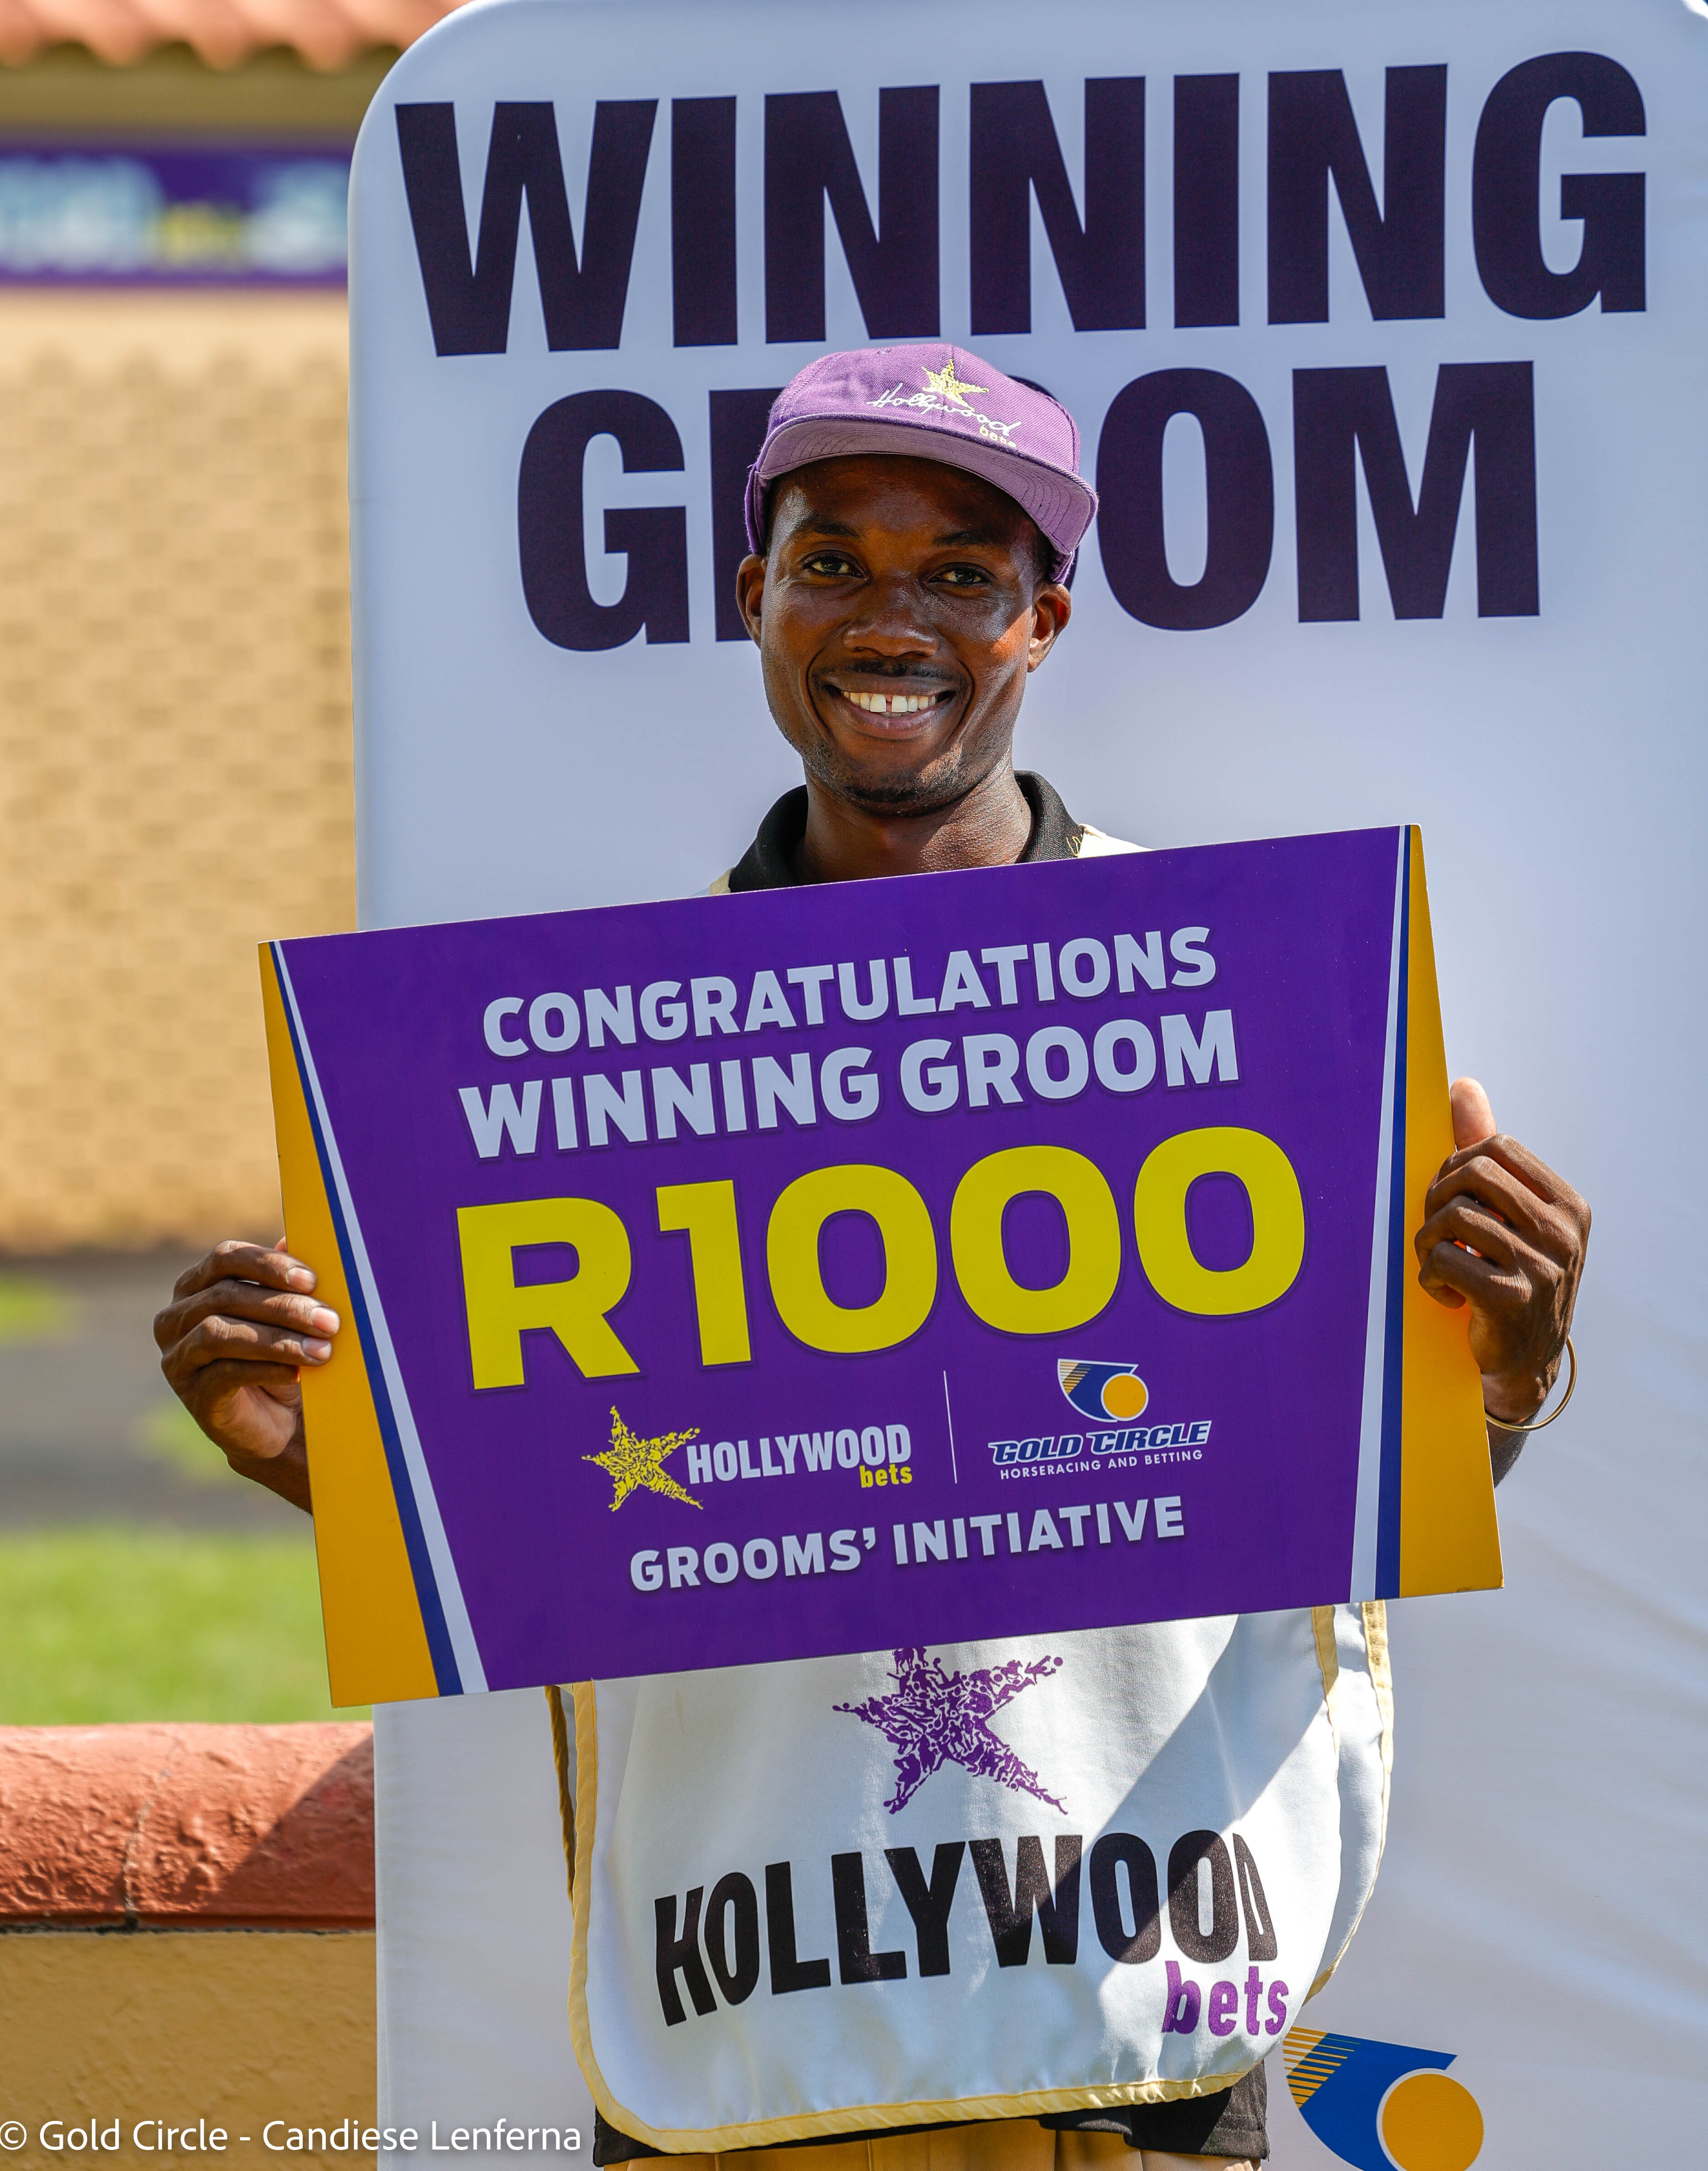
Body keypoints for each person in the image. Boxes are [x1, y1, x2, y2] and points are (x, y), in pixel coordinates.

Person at [155, 346, 1589, 2170]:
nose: (890, 618)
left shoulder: (1259, 1006)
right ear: (755, 595)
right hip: (746, 2013)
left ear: (1042, 619)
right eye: (832, 560)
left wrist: (1504, 1368)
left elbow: (1328, 1491)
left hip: (1126, 2009)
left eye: (961, 574)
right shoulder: (579, 1067)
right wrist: (335, 1468)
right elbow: (560, 1529)